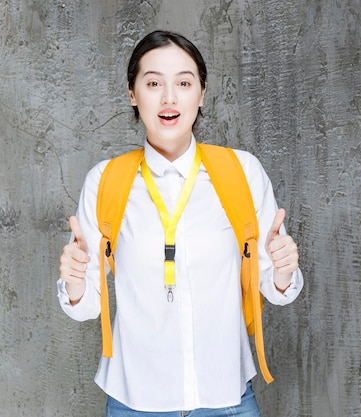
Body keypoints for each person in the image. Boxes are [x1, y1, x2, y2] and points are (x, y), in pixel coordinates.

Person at [57, 30, 304, 416]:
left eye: (184, 83)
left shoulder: (243, 172)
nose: (169, 98)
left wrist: (284, 270)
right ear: (132, 94)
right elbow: (86, 306)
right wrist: (74, 282)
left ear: (201, 94)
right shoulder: (105, 181)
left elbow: (276, 290)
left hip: (227, 401)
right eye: (153, 83)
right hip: (134, 402)